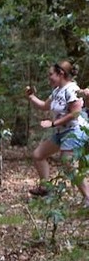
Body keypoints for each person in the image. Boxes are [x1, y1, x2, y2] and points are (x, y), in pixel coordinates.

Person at [23, 58, 89, 206]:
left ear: (60, 74)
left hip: (75, 131)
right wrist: (31, 97)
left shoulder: (72, 89)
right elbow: (44, 106)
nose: (49, 78)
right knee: (38, 155)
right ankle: (46, 189)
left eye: (51, 74)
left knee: (68, 163)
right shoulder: (57, 91)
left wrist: (53, 123)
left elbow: (75, 113)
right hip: (62, 132)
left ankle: (87, 196)